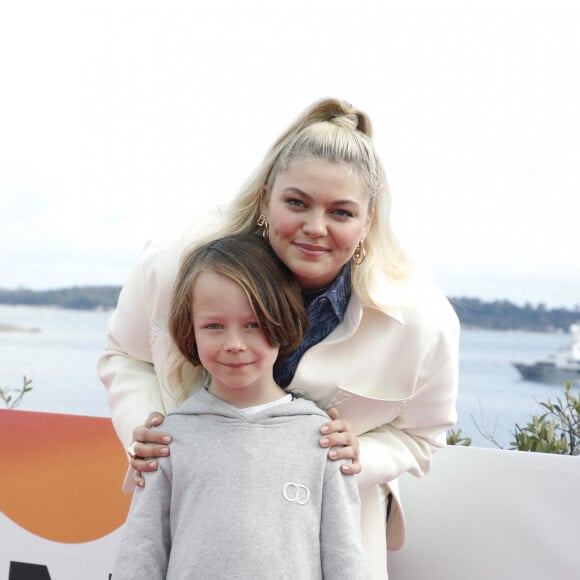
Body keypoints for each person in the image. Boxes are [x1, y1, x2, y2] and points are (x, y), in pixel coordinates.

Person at [98, 97, 460, 579]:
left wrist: (353, 455)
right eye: (297, 203)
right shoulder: (175, 263)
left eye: (341, 212)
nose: (315, 228)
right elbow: (125, 355)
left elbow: (425, 434)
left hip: (328, 538)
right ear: (267, 197)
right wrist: (155, 434)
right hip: (196, 527)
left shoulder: (422, 320)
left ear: (368, 220)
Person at [113, 233, 369, 579]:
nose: (234, 344)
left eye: (253, 325)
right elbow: (140, 556)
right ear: (191, 331)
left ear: (284, 322)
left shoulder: (323, 439)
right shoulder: (167, 439)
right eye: (214, 326)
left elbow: (345, 558)